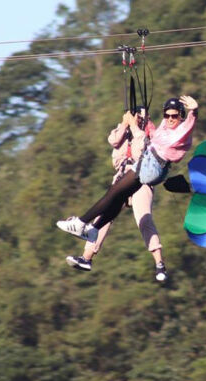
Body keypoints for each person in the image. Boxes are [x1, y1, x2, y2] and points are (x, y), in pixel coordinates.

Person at [57, 95, 199, 282]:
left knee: (141, 217)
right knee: (111, 204)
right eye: (167, 115)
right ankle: (87, 252)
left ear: (180, 116)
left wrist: (193, 111)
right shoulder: (157, 128)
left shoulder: (179, 131)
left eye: (174, 116)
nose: (170, 119)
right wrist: (131, 122)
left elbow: (185, 127)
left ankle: (159, 264)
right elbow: (115, 141)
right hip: (138, 169)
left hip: (149, 170)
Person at [60, 107, 163, 276]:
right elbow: (113, 141)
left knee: (144, 219)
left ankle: (159, 263)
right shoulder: (122, 131)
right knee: (104, 218)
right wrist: (125, 123)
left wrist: (141, 125)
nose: (138, 118)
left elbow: (143, 150)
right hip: (121, 180)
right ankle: (87, 258)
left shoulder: (150, 133)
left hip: (139, 180)